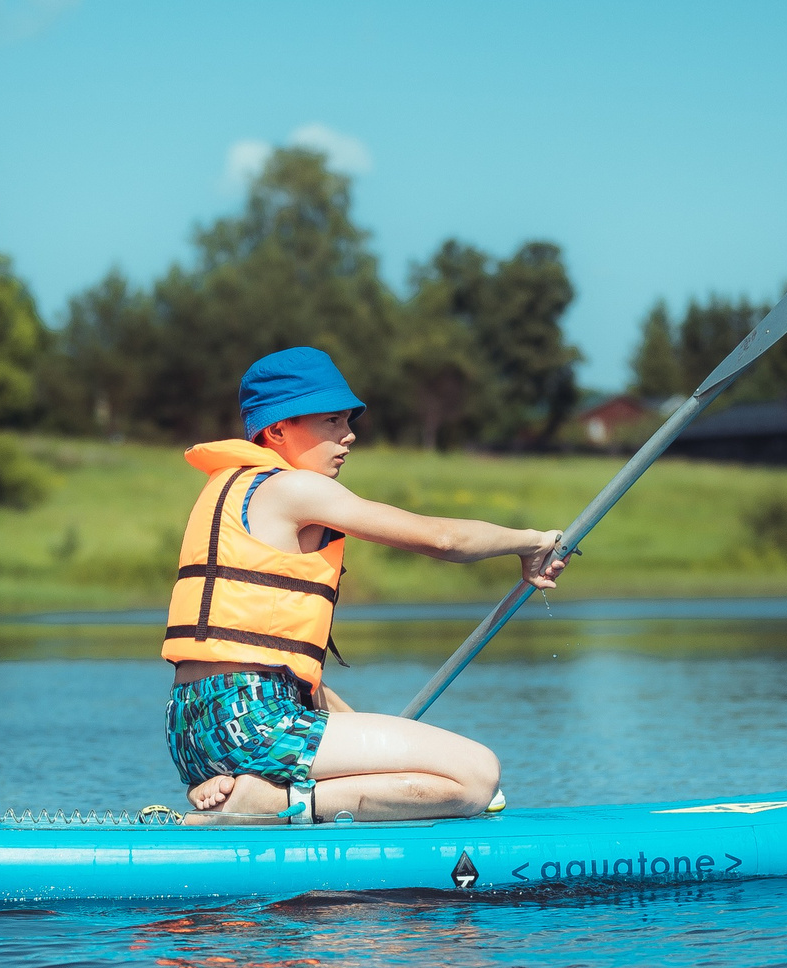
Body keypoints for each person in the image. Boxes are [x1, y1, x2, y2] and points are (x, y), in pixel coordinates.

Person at [162, 346, 570, 822]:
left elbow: (284, 671)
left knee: (416, 762)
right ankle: (271, 804)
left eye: (348, 421)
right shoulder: (294, 489)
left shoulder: (227, 490)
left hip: (191, 731)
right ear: (277, 430)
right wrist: (531, 542)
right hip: (255, 721)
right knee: (477, 775)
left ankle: (253, 796)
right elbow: (443, 539)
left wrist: (386, 751)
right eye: (332, 421)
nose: (349, 435)